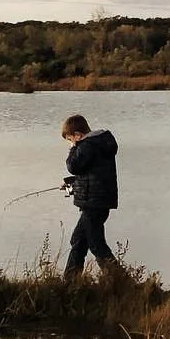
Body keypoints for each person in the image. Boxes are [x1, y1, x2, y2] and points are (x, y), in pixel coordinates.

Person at [61, 113, 120, 279]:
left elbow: (73, 166)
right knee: (78, 240)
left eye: (70, 139)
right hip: (98, 201)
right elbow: (92, 173)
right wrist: (74, 184)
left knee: (96, 244)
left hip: (93, 204)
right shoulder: (99, 144)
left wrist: (73, 148)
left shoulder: (86, 146)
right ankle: (71, 280)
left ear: (78, 135)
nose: (71, 143)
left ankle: (119, 279)